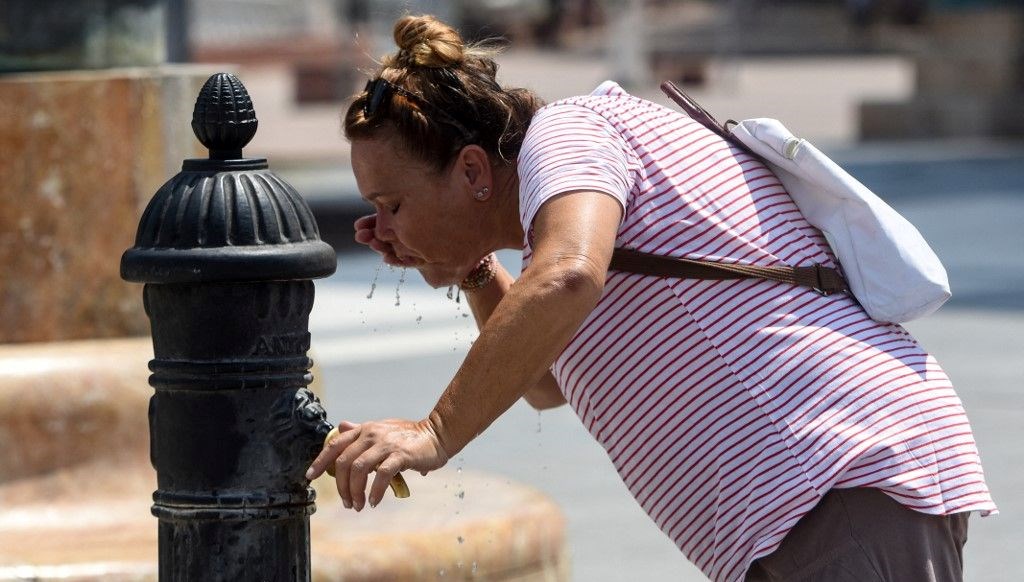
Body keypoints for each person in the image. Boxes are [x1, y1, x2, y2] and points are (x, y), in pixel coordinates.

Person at [305, 14, 996, 582]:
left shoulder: (569, 133)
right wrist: (473, 270)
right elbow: (546, 381)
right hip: (803, 505)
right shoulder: (557, 219)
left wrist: (433, 433)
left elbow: (570, 277)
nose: (381, 231)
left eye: (392, 204)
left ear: (474, 170)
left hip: (837, 475)